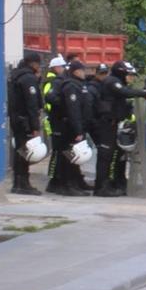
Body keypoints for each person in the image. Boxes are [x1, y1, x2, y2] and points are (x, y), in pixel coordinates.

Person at [95, 60, 146, 197]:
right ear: (121, 73)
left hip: (114, 123)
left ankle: (116, 183)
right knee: (106, 156)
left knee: (116, 156)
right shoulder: (112, 81)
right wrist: (144, 93)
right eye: (129, 74)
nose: (131, 77)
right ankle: (102, 187)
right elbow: (124, 92)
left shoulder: (117, 82)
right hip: (107, 124)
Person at [51, 60, 91, 196]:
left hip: (73, 126)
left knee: (72, 158)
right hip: (69, 127)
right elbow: (73, 110)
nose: (84, 73)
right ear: (75, 71)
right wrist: (78, 130)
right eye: (82, 70)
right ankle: (68, 186)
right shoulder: (71, 86)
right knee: (69, 158)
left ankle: (72, 184)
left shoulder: (77, 84)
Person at [7, 53, 44, 195]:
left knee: (19, 151)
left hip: (16, 119)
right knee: (26, 152)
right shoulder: (28, 78)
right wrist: (35, 127)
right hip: (25, 121)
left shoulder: (15, 75)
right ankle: (23, 183)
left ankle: (18, 183)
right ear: (33, 64)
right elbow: (32, 104)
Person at [43, 55, 67, 193]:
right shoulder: (51, 81)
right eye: (62, 67)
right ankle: (52, 180)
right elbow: (49, 100)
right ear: (56, 67)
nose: (63, 69)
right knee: (56, 151)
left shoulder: (56, 80)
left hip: (55, 119)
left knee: (58, 150)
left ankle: (57, 179)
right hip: (54, 119)